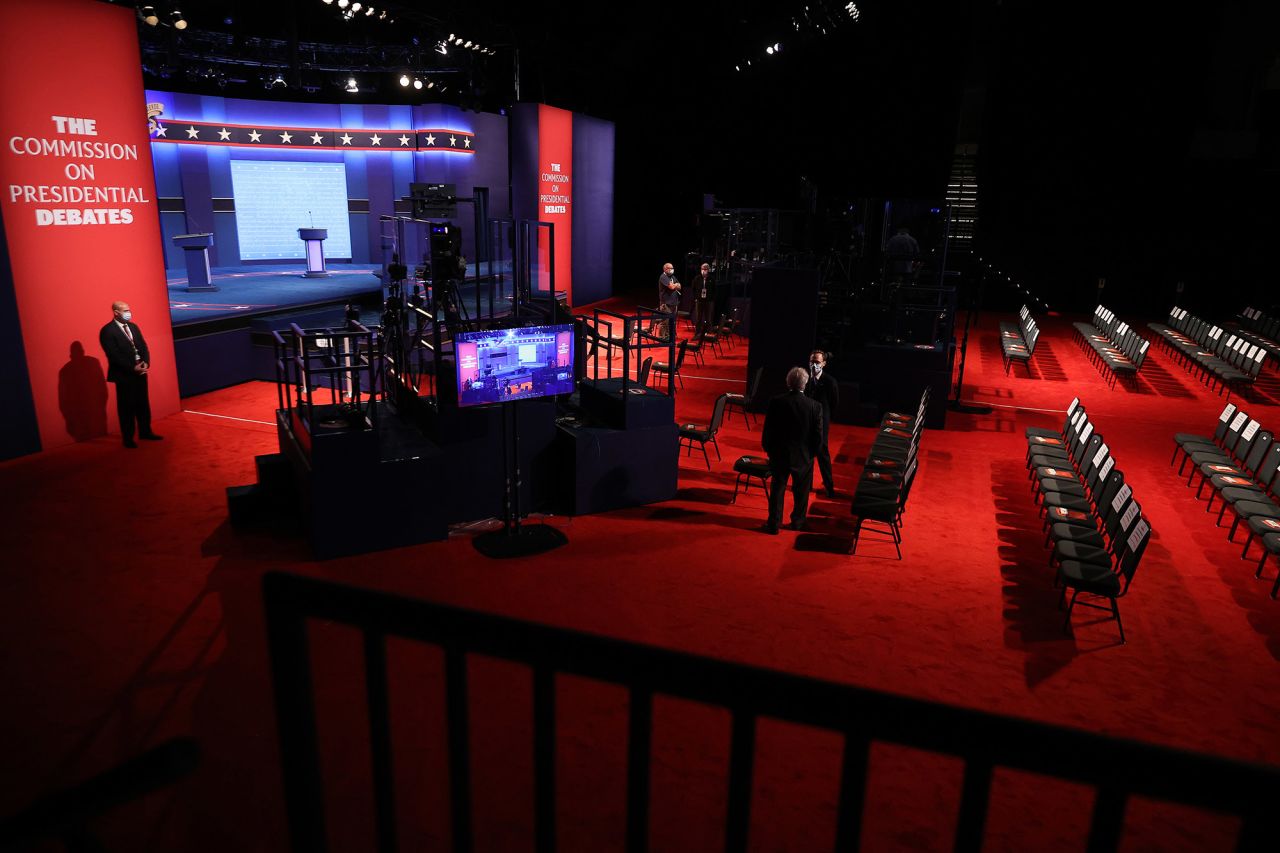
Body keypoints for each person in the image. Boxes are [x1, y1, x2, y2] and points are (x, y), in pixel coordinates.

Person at [761, 366, 823, 534]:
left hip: (779, 454)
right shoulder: (815, 406)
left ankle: (774, 524)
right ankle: (798, 522)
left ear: (788, 382)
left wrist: (768, 449)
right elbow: (818, 436)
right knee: (801, 492)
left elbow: (768, 429)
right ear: (805, 383)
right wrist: (812, 455)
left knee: (777, 490)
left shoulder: (776, 402)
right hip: (803, 457)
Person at [99, 300, 162, 448]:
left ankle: (145, 431)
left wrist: (146, 362)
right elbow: (113, 355)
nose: (128, 313)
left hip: (141, 372)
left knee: (143, 404)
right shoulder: (107, 331)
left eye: (129, 310)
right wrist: (132, 368)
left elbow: (143, 346)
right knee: (126, 407)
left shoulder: (133, 327)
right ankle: (128, 438)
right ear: (116, 312)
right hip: (124, 375)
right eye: (125, 310)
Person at [805, 350, 840, 498]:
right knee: (806, 453)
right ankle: (806, 485)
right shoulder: (805, 379)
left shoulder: (830, 382)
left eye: (817, 362)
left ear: (824, 364)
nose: (814, 365)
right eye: (812, 362)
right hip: (806, 421)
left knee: (822, 453)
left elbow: (834, 403)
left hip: (821, 423)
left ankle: (829, 486)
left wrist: (824, 418)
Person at [656, 262, 681, 339]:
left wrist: (675, 285)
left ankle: (670, 335)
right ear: (665, 269)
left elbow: (679, 286)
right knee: (665, 321)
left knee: (672, 321)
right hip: (666, 303)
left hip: (674, 303)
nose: (671, 270)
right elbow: (671, 287)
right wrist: (675, 285)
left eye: (672, 268)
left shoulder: (672, 277)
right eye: (670, 268)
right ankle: (662, 337)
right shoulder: (663, 277)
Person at [691, 262, 714, 331]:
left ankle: (709, 333)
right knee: (698, 318)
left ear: (708, 270)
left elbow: (714, 290)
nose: (704, 270)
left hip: (708, 301)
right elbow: (693, 289)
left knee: (708, 318)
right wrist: (696, 298)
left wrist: (711, 299)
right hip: (699, 301)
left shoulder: (711, 279)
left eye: (705, 269)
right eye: (702, 269)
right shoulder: (697, 278)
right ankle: (697, 333)